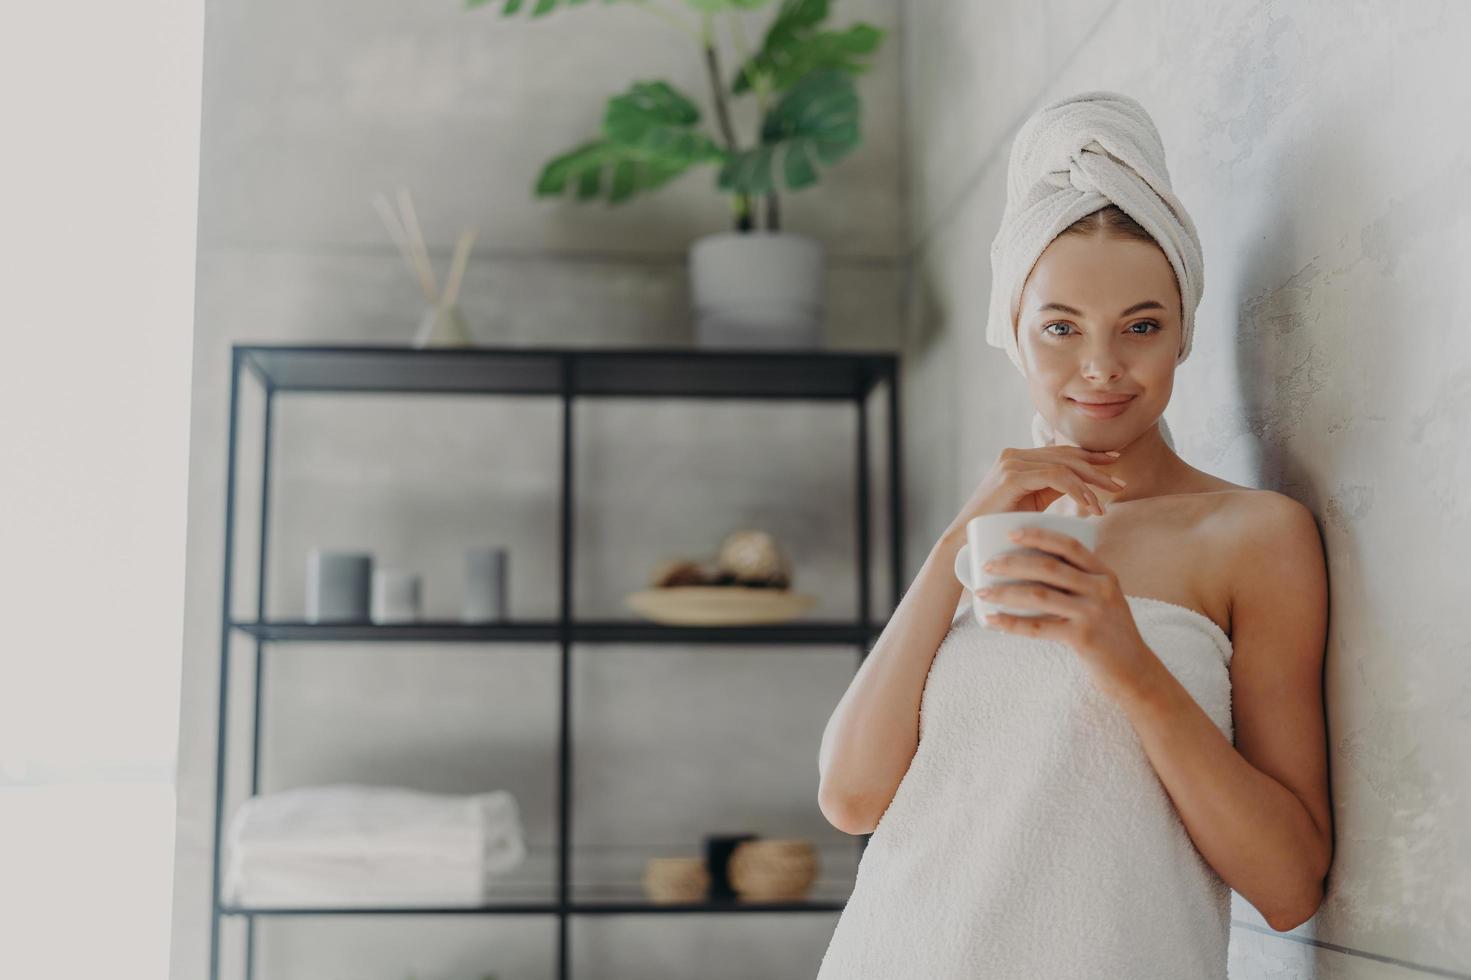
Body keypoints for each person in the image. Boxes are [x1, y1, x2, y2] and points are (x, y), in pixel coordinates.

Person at [813, 91, 1333, 979]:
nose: (1099, 366)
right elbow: (852, 799)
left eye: (1141, 326)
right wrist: (954, 545)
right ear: (1011, 335)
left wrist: (1122, 654)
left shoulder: (1251, 535)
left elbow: (1288, 887)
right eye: (1059, 328)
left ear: (1183, 336)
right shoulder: (986, 542)